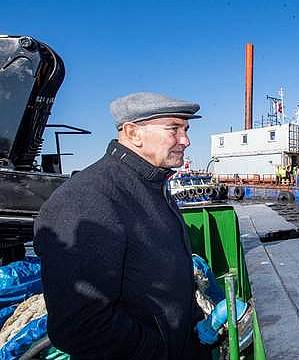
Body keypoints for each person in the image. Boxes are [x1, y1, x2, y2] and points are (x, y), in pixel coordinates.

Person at [34, 92, 212, 359]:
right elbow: (80, 325)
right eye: (173, 129)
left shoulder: (153, 187)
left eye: (185, 129)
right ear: (133, 133)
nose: (185, 140)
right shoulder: (87, 199)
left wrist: (195, 324)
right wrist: (161, 351)